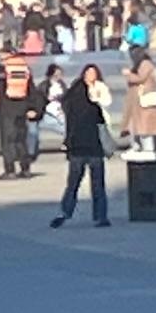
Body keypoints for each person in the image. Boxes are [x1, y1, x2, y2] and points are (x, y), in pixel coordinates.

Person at [50, 67, 110, 230]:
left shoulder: (71, 108)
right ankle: (100, 216)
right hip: (94, 149)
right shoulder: (93, 107)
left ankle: (65, 212)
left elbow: (69, 129)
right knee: (98, 185)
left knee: (73, 184)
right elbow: (102, 127)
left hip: (77, 149)